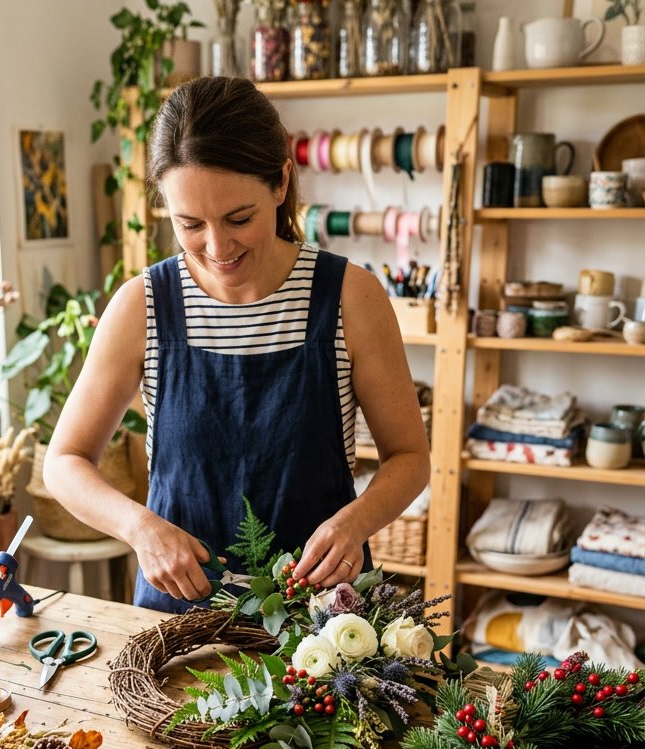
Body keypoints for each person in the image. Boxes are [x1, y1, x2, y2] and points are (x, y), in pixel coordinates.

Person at [44, 76, 430, 613]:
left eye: (238, 218)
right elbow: (64, 461)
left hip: (318, 627)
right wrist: (140, 527)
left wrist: (355, 523)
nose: (217, 247)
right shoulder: (143, 306)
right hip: (176, 621)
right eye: (190, 224)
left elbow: (410, 458)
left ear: (280, 182)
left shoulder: (350, 298)